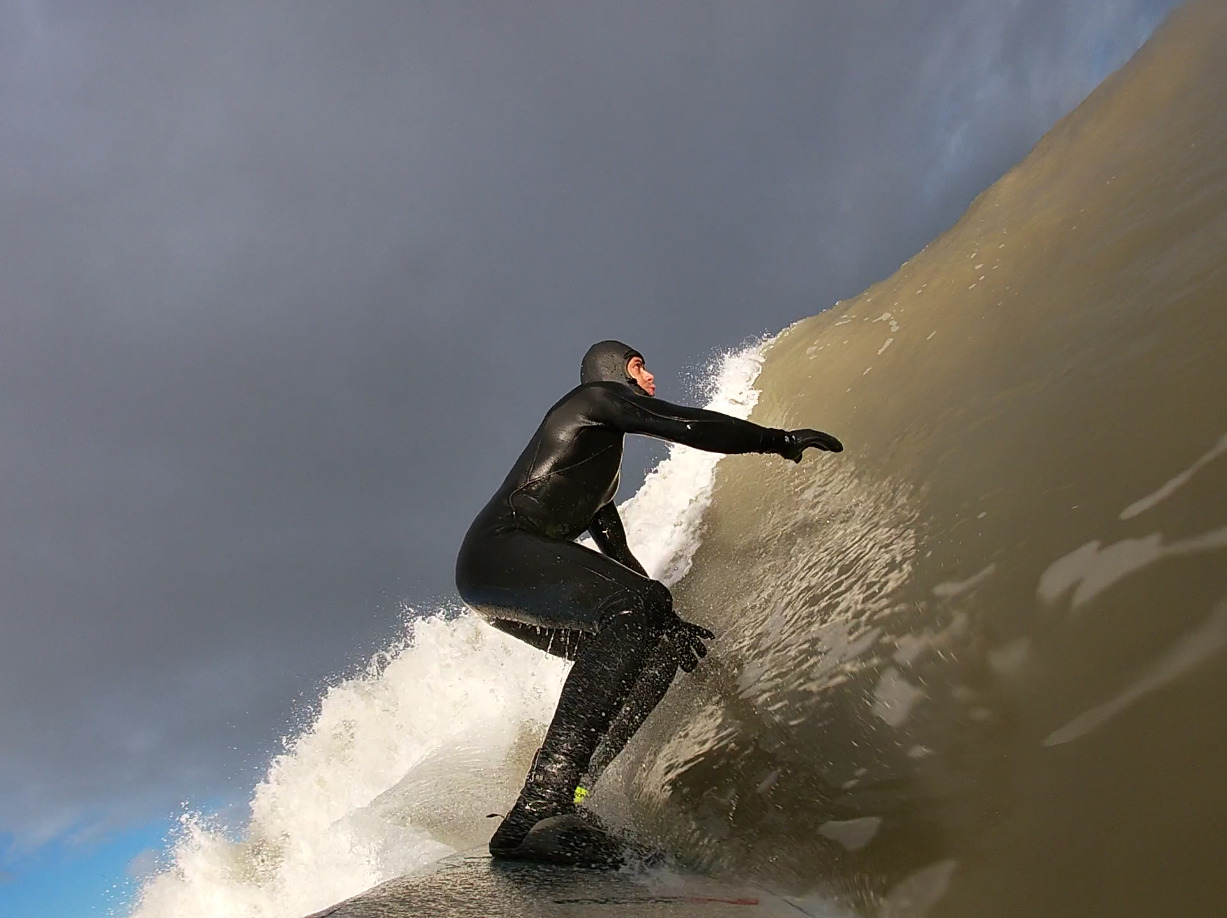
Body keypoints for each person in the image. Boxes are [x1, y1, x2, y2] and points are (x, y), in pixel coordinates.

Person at [455, 340, 842, 857]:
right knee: (640, 606)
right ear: (615, 372)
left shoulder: (598, 471)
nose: (650, 376)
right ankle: (543, 797)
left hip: (499, 580)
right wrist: (777, 440)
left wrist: (668, 621)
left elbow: (620, 563)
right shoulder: (591, 401)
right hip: (497, 553)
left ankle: (573, 792)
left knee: (656, 646)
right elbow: (684, 424)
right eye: (639, 367)